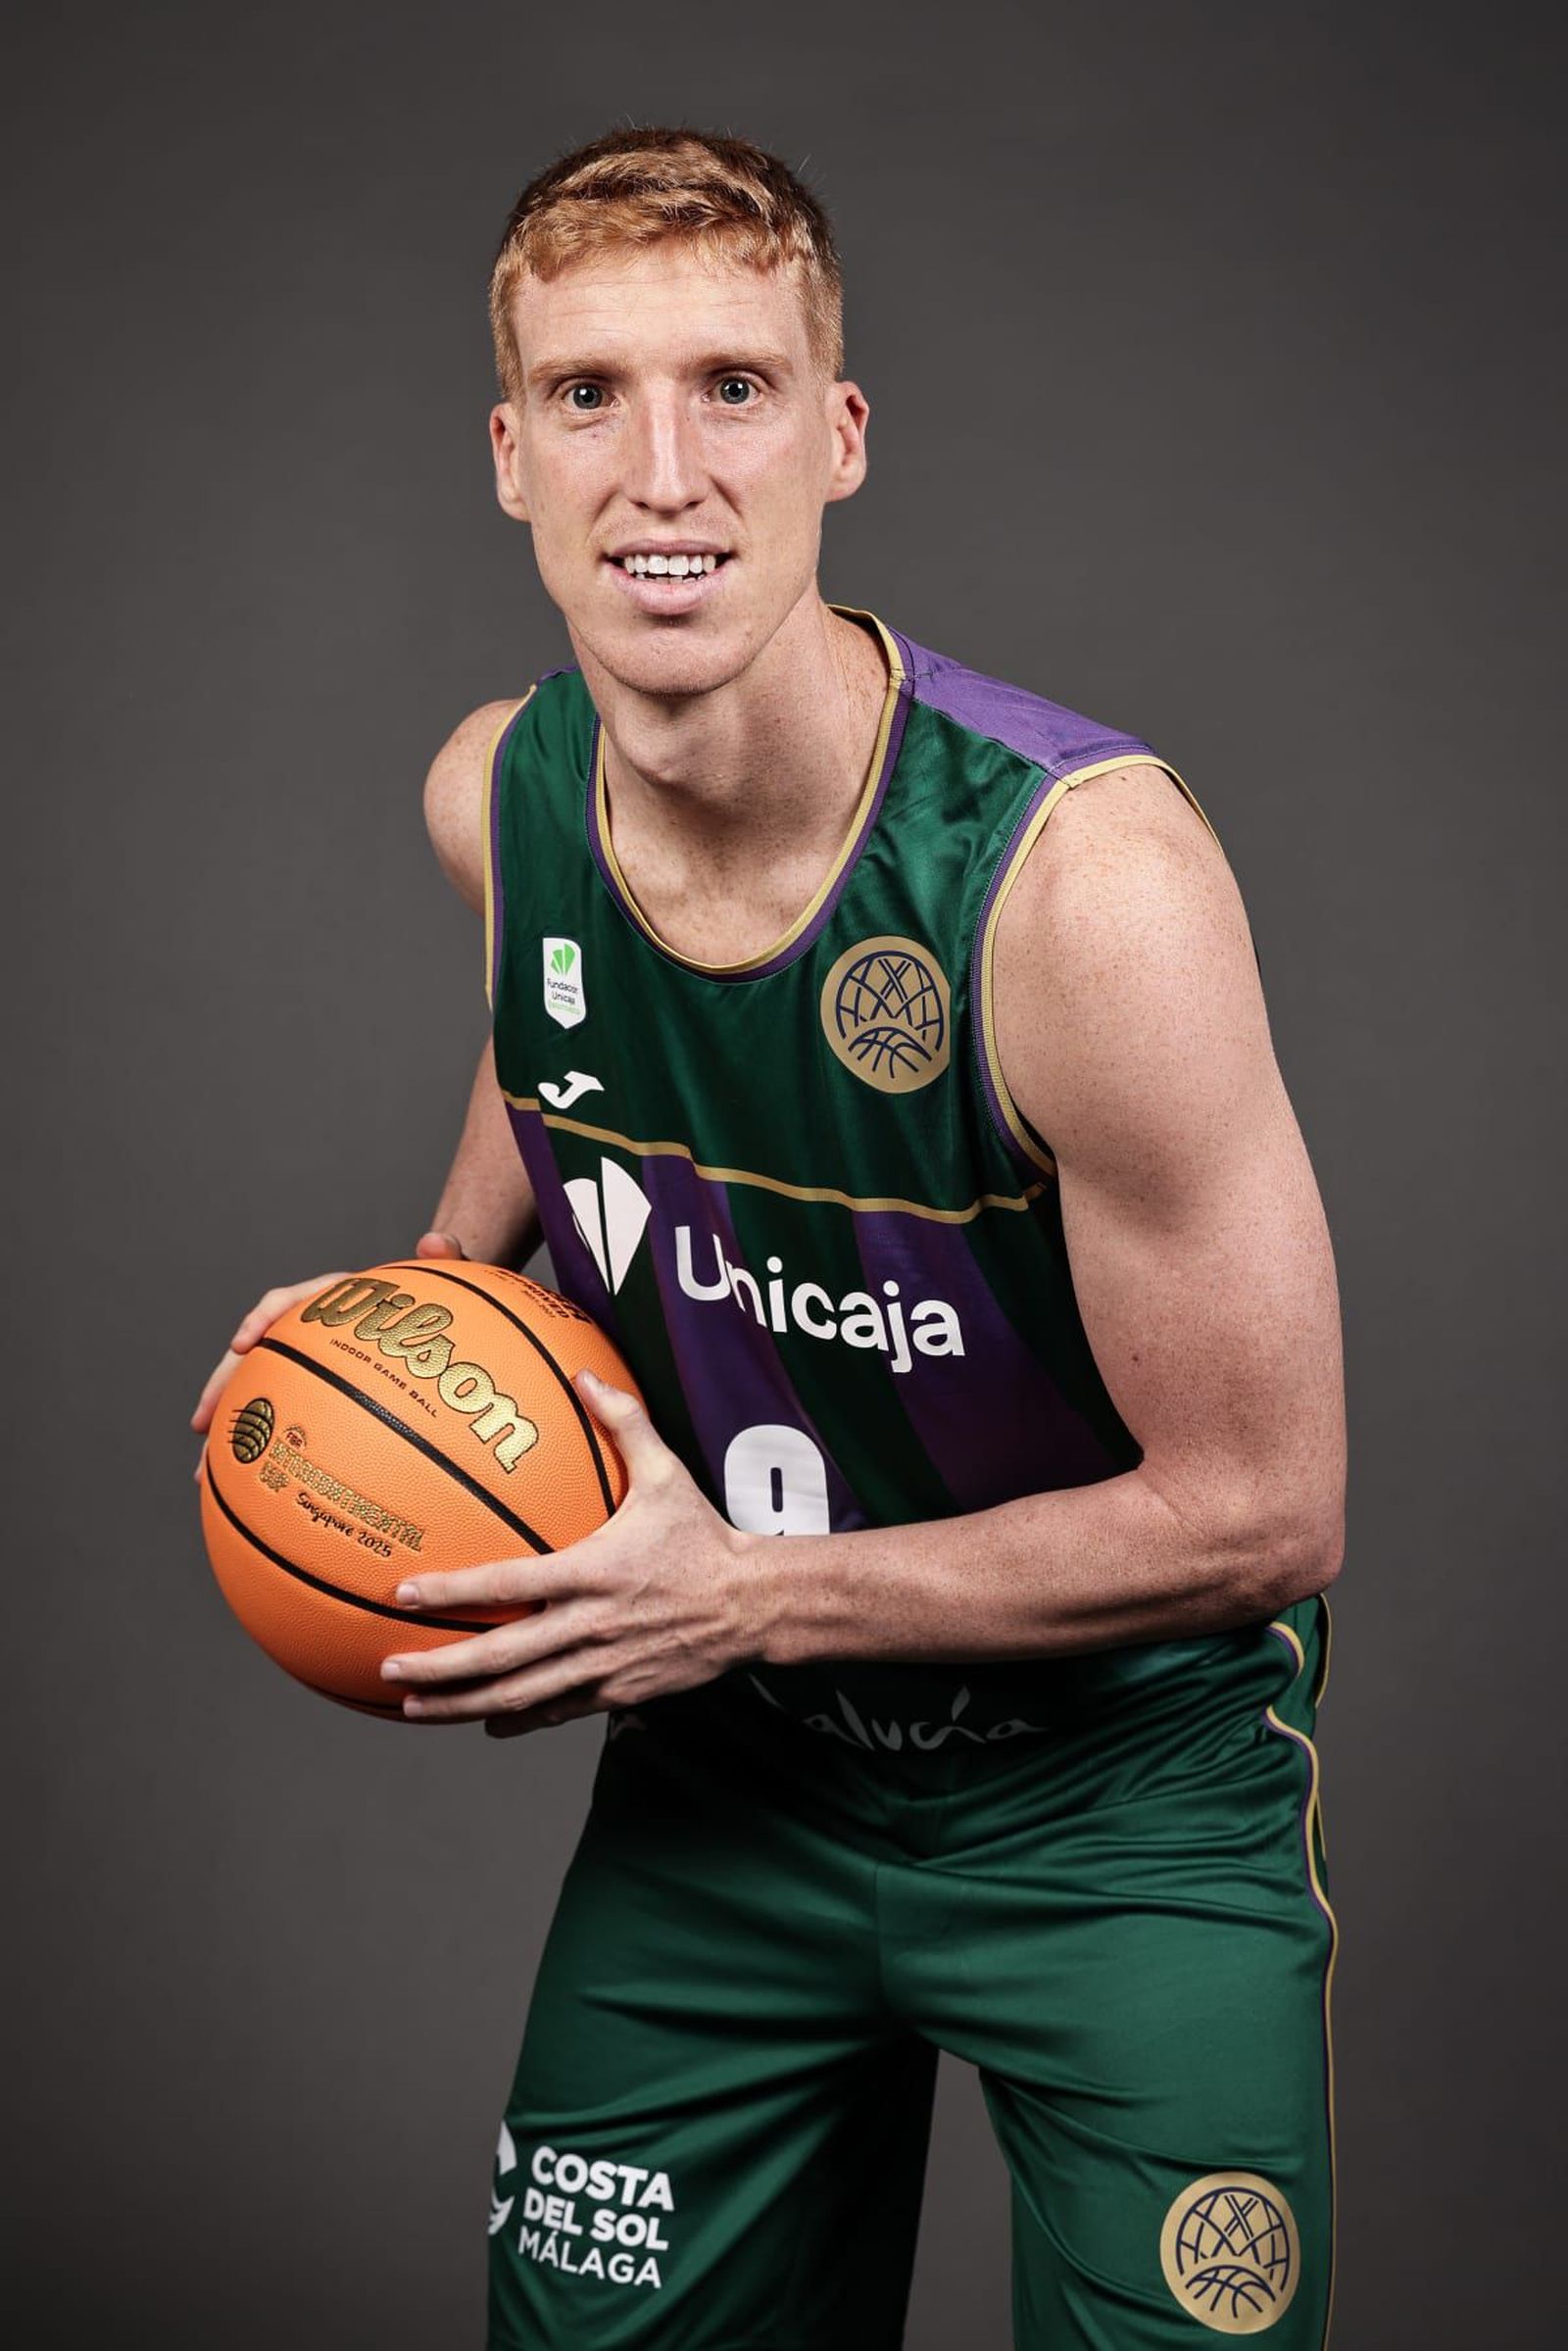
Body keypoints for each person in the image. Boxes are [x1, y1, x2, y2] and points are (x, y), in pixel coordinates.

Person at [193, 126, 1346, 2350]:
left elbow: (1265, 1508)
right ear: (506, 455)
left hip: (1117, 1811)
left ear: (833, 438)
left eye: (728, 386)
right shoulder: (493, 802)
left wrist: (735, 1594)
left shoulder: (1078, 894)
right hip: (735, 1788)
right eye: (591, 396)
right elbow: (570, 1044)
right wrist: (410, 1315)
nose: (662, 473)